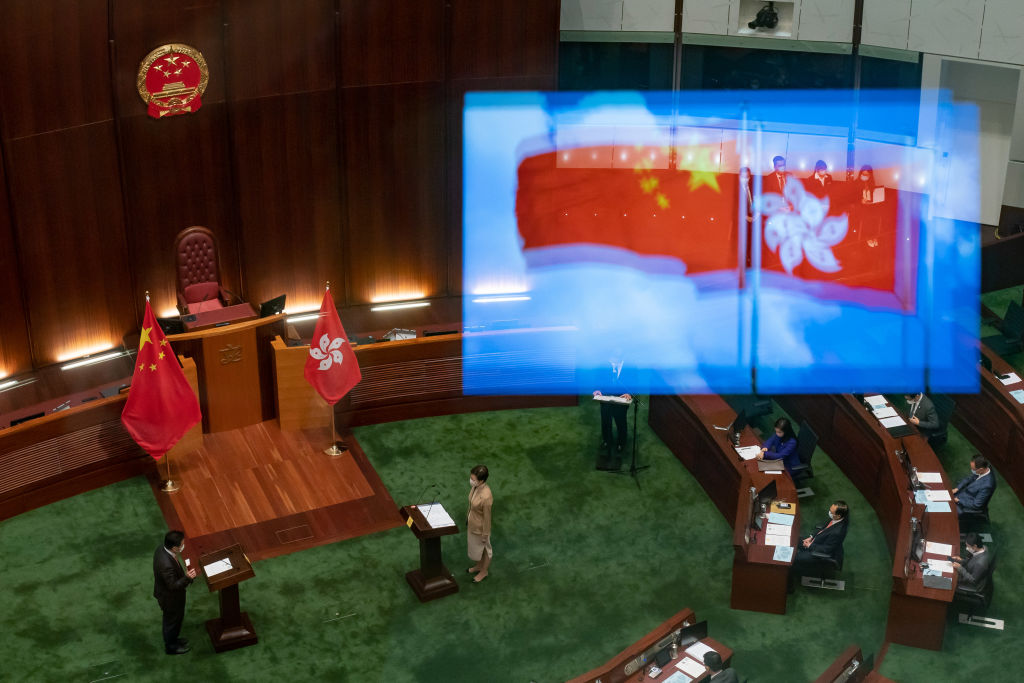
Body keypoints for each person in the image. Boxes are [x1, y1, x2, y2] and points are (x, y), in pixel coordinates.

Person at [153, 530, 197, 655]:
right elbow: (173, 586)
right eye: (182, 545)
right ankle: (171, 647)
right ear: (174, 548)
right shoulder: (166, 564)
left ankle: (174, 640)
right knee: (171, 621)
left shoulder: (161, 548)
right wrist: (187, 578)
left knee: (175, 620)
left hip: (170, 595)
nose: (184, 546)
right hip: (170, 598)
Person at [790, 501, 849, 590]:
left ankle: (789, 586)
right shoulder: (835, 519)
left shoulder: (838, 532)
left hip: (821, 552)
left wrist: (810, 546)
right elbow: (823, 529)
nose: (829, 512)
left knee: (793, 558)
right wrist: (811, 537)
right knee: (793, 539)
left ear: (838, 516)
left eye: (831, 512)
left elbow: (826, 550)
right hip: (817, 541)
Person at [592, 353, 632, 456]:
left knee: (621, 421)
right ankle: (607, 440)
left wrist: (629, 393)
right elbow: (598, 379)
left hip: (621, 398)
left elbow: (635, 381)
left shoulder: (630, 365)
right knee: (605, 421)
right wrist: (597, 390)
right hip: (606, 397)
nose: (612, 361)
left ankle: (621, 443)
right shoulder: (603, 364)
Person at [467, 465, 493, 583]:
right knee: (477, 548)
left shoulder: (486, 496)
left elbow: (487, 518)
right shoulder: (476, 487)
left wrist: (485, 534)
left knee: (485, 549)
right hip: (473, 523)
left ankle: (484, 571)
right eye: (471, 478)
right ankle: (479, 566)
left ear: (481, 480)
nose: (471, 480)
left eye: (473, 479)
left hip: (480, 528)